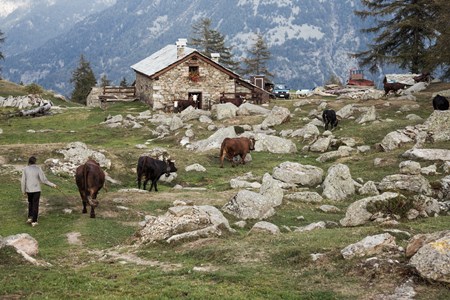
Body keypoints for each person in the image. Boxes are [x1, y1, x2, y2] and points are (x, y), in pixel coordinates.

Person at [21, 156, 57, 227]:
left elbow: (23, 181)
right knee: (35, 205)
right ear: (35, 162)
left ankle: (30, 217)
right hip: (36, 190)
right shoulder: (38, 169)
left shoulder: (25, 169)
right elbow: (44, 180)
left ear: (29, 162)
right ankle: (34, 221)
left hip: (29, 190)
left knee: (30, 203)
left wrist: (23, 191)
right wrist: (53, 185)